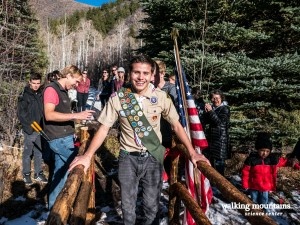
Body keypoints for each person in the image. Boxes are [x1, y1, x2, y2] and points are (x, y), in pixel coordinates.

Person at [69, 55, 209, 225]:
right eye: (136, 72)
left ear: (152, 75)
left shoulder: (162, 97)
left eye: (145, 73)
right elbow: (104, 128)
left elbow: (177, 126)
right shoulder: (119, 98)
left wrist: (192, 152)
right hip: (127, 158)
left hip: (152, 158)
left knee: (152, 207)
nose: (141, 77)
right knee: (128, 207)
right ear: (129, 74)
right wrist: (88, 155)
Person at [43, 65, 94, 210]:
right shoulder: (52, 89)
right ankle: (64, 206)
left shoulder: (63, 91)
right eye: (76, 81)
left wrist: (75, 120)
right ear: (69, 75)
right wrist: (75, 115)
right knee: (78, 165)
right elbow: (49, 114)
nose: (77, 85)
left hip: (64, 137)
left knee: (60, 172)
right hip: (58, 139)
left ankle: (54, 207)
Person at [242, 132, 300, 205]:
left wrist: (295, 165)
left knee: (264, 202)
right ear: (258, 149)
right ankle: (254, 214)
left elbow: (285, 162)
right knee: (254, 202)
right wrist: (245, 185)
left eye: (267, 151)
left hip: (266, 187)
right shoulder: (251, 159)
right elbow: (245, 173)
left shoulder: (272, 159)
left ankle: (263, 214)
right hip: (254, 186)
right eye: (262, 150)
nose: (265, 153)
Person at [17, 73, 47, 185]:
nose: (36, 85)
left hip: (40, 129)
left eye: (38, 83)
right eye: (33, 83)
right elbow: (22, 114)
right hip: (30, 130)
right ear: (29, 82)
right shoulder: (24, 95)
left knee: (39, 152)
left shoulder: (40, 93)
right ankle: (26, 174)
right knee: (27, 153)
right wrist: (29, 127)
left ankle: (38, 173)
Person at [203, 89, 230, 175]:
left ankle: (219, 188)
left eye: (218, 98)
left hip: (220, 143)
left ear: (221, 98)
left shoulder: (225, 109)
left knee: (219, 168)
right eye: (213, 98)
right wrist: (207, 113)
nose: (216, 100)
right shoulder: (214, 109)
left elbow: (219, 123)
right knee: (212, 166)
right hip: (211, 142)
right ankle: (212, 186)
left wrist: (211, 111)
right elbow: (206, 122)